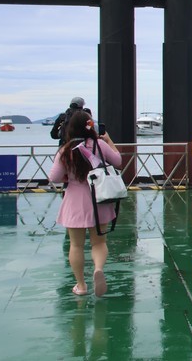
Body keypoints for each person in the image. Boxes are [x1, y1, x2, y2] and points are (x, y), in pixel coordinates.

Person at [49, 110, 123, 297]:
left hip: (75, 201)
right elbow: (118, 161)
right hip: (99, 199)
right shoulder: (99, 145)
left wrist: (68, 175)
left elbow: (54, 178)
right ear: (91, 127)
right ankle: (98, 269)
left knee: (76, 245)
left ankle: (81, 285)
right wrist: (108, 140)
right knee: (99, 243)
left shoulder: (65, 150)